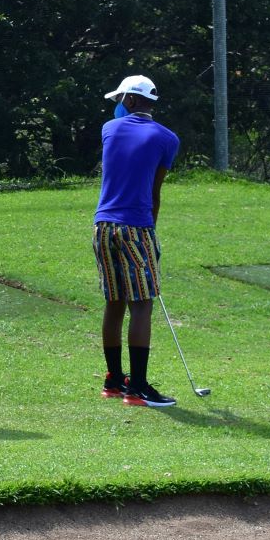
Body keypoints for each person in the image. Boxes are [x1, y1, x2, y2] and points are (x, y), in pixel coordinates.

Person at [95, 74, 181, 407]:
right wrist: (151, 230)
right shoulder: (168, 139)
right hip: (136, 226)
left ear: (130, 100)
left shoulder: (108, 129)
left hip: (102, 226)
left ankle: (115, 380)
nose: (117, 105)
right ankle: (139, 387)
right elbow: (154, 192)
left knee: (114, 301)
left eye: (120, 99)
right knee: (142, 305)